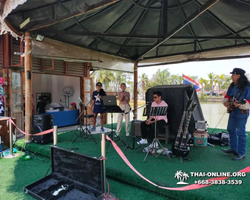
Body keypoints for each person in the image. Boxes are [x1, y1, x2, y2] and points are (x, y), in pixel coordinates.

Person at [222, 68, 250, 161]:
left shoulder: (247, 86)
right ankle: (234, 149)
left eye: (233, 74)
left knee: (241, 132)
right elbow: (228, 96)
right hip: (233, 110)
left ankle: (241, 153)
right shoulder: (233, 85)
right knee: (230, 129)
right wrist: (226, 103)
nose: (231, 76)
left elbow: (248, 101)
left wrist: (240, 104)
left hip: (242, 112)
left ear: (238, 75)